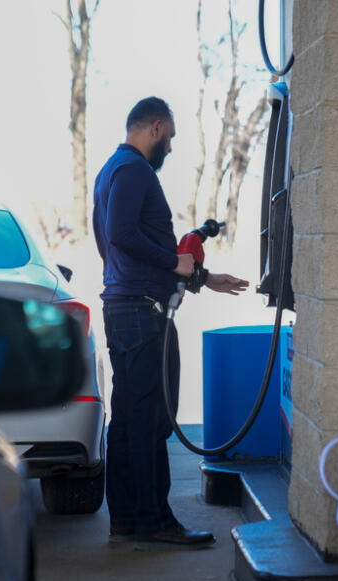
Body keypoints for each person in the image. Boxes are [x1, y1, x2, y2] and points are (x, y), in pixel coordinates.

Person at [92, 96, 248, 548]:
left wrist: (203, 278)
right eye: (171, 137)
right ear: (155, 128)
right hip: (142, 313)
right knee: (150, 418)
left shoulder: (110, 171)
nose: (171, 148)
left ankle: (126, 519)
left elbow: (126, 246)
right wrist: (173, 263)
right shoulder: (135, 170)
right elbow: (122, 235)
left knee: (128, 417)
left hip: (124, 306)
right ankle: (154, 520)